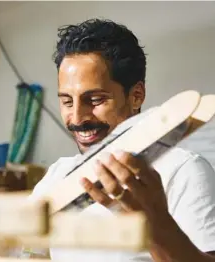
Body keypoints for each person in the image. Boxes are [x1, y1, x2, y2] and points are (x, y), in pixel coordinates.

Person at [29, 18, 215, 262]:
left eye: (94, 100)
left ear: (136, 95)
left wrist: (156, 229)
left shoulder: (184, 170)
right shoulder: (57, 175)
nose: (77, 118)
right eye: (66, 101)